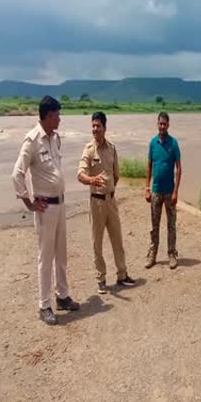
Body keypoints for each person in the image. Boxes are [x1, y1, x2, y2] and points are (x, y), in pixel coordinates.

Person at [12, 95, 80, 326]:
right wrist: (29, 203)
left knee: (61, 253)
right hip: (44, 208)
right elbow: (17, 174)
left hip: (60, 204)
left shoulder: (55, 139)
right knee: (46, 257)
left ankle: (62, 296)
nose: (60, 118)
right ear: (48, 116)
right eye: (58, 115)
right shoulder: (32, 141)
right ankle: (44, 305)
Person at [77, 111, 137, 294]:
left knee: (117, 239)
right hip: (96, 203)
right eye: (93, 126)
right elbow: (80, 175)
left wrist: (110, 190)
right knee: (97, 242)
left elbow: (116, 175)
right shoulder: (88, 150)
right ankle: (101, 279)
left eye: (98, 126)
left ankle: (122, 274)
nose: (95, 129)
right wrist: (92, 181)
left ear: (105, 128)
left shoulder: (112, 148)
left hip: (111, 201)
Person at [144, 112, 182, 269]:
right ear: (157, 124)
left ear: (168, 125)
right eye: (160, 124)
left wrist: (176, 192)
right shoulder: (153, 143)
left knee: (171, 224)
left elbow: (179, 169)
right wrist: (147, 187)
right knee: (154, 225)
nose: (162, 126)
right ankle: (152, 254)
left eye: (164, 124)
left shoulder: (173, 144)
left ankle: (172, 253)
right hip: (155, 191)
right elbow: (149, 166)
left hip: (169, 191)